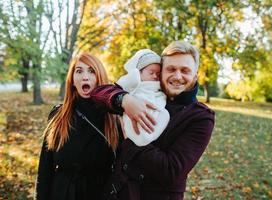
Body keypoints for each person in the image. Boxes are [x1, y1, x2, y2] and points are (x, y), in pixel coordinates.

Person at [91, 41, 215, 200]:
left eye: (185, 70)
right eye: (171, 69)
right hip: (117, 192)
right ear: (161, 72)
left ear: (195, 75)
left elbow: (171, 170)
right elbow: (98, 94)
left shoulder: (201, 117)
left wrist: (130, 142)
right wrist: (124, 100)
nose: (177, 76)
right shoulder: (143, 92)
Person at [35, 53, 120, 200]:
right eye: (79, 71)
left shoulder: (113, 118)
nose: (85, 77)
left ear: (100, 77)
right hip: (61, 193)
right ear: (72, 80)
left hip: (99, 193)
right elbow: (44, 170)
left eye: (91, 71)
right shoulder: (58, 115)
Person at [117, 49, 170, 146]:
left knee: (165, 114)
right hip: (132, 115)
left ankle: (148, 136)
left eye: (158, 74)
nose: (155, 76)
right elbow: (120, 86)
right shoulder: (134, 84)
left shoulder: (160, 86)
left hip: (152, 117)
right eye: (151, 73)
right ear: (139, 73)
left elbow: (160, 97)